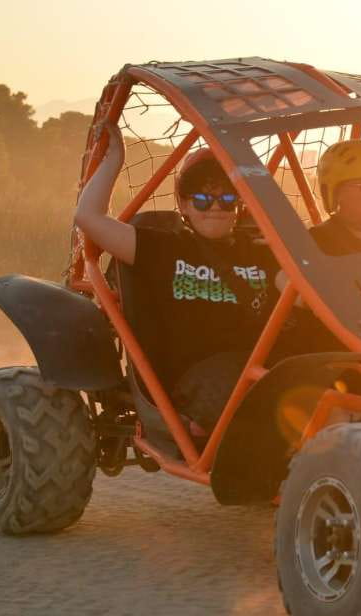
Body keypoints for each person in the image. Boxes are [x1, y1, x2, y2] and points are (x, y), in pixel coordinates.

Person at [74, 122, 277, 435]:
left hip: (259, 366)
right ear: (183, 204)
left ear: (239, 206)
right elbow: (89, 218)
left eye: (226, 200)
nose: (214, 209)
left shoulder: (263, 251)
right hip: (199, 379)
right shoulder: (165, 248)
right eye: (201, 200)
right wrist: (113, 160)